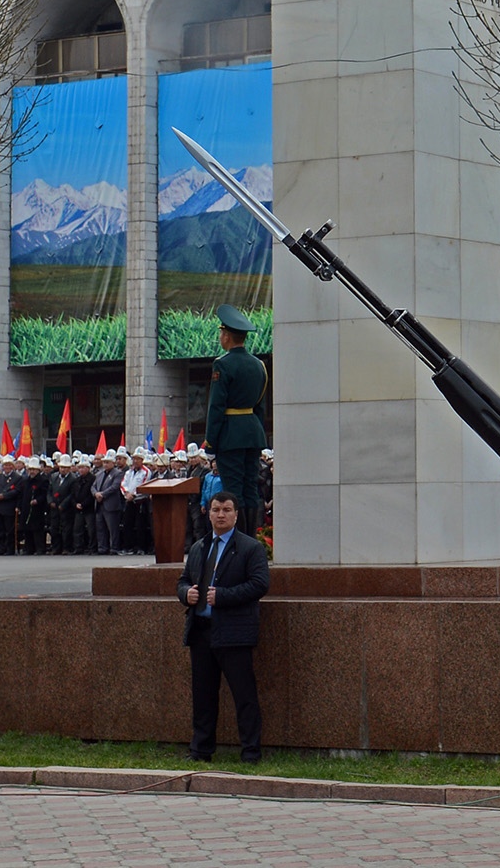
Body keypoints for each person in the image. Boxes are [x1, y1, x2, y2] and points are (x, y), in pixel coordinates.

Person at [179, 490, 270, 762]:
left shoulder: (250, 548)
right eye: (216, 509)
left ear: (236, 514)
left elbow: (259, 584)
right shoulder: (199, 547)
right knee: (203, 696)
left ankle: (251, 752)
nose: (221, 514)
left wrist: (223, 596)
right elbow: (183, 580)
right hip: (201, 632)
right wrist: (186, 594)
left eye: (227, 509)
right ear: (208, 513)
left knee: (244, 695)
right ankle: (200, 750)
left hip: (234, 632)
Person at [204, 304, 270, 532]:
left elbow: (216, 407)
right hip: (253, 434)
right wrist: (257, 434)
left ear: (227, 336)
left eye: (221, 333)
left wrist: (211, 442)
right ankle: (250, 539)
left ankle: (238, 544)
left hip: (230, 436)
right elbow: (260, 406)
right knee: (250, 488)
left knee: (233, 489)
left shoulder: (222, 364)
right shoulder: (259, 365)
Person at [0, 456, 21, 556]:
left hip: (9, 506)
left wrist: (4, 496)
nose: (7, 467)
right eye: (5, 465)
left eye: (9, 465)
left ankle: (9, 549)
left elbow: (17, 491)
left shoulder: (17, 478)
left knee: (9, 530)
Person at [95, 452, 127, 554]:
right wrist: (96, 494)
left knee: (113, 528)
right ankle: (102, 548)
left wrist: (103, 494)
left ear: (113, 463)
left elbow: (115, 486)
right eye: (104, 462)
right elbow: (93, 486)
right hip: (100, 504)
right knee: (101, 528)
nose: (105, 464)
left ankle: (114, 547)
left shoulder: (118, 473)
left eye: (107, 462)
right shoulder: (99, 474)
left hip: (111, 504)